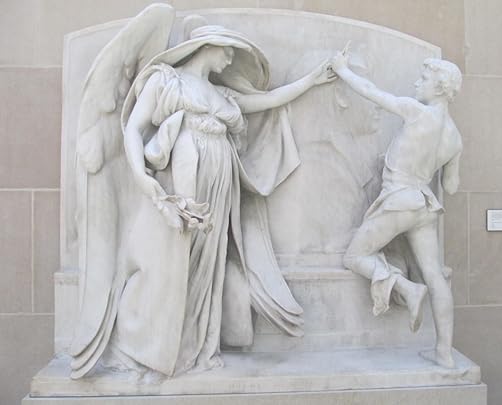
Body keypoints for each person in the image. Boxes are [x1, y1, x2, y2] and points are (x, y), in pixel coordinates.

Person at [69, 18, 336, 379]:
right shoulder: (166, 80)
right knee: (174, 259)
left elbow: (267, 101)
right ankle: (149, 350)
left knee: (207, 264)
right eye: (228, 50)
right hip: (183, 179)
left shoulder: (221, 95)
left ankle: (194, 349)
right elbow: (133, 128)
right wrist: (143, 179)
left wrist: (311, 80)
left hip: (220, 181)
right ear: (207, 46)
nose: (230, 58)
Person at [331, 51, 462, 368]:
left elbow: (372, 92)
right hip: (424, 206)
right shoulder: (455, 137)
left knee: (354, 256)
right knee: (435, 276)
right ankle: (444, 353)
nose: (417, 83)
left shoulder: (417, 112)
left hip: (401, 200)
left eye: (423, 79)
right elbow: (452, 186)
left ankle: (407, 289)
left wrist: (342, 70)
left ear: (439, 88)